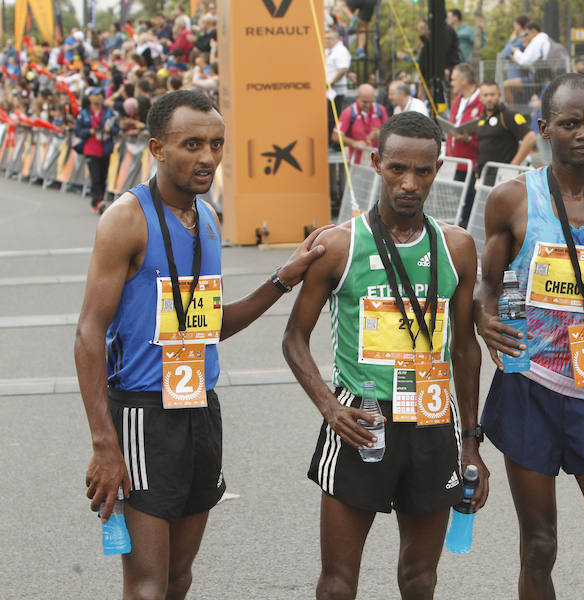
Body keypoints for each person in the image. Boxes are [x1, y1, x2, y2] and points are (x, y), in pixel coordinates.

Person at [74, 89, 329, 600]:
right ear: (157, 148)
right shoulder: (126, 219)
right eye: (192, 144)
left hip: (199, 410)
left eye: (216, 144)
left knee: (178, 578)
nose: (208, 157)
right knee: (147, 585)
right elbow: (87, 335)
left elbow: (208, 326)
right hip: (144, 414)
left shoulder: (206, 218)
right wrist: (105, 443)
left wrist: (282, 278)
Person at [282, 111, 489, 599]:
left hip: (434, 422)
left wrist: (471, 442)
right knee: (338, 584)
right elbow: (294, 339)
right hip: (362, 421)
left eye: (422, 171)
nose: (409, 183)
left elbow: (464, 348)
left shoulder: (457, 246)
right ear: (375, 163)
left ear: (438, 169)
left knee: (420, 578)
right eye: (397, 168)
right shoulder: (338, 245)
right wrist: (330, 408)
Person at [475, 73, 584, 599]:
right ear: (546, 128)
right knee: (540, 545)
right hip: (529, 385)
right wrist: (486, 319)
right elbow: (489, 284)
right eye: (571, 123)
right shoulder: (511, 199)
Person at [474, 80, 536, 184]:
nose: (489, 98)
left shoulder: (508, 115)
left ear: (499, 96)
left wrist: (513, 166)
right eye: (485, 95)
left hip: (503, 178)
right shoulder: (481, 118)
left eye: (492, 94)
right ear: (480, 98)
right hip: (484, 176)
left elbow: (530, 137)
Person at [446, 63, 484, 226]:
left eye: (453, 80)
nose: (451, 83)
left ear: (464, 80)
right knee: (458, 207)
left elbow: (485, 131)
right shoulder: (459, 99)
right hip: (458, 163)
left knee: (469, 207)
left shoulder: (482, 99)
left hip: (473, 163)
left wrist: (469, 139)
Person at [74, 86, 120, 212]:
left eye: (100, 94)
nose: (98, 97)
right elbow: (78, 131)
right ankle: (98, 201)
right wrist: (89, 131)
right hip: (90, 148)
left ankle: (100, 200)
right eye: (95, 94)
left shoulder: (109, 113)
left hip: (105, 148)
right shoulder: (83, 114)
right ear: (89, 97)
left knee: (103, 175)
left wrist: (109, 130)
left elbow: (117, 129)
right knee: (95, 177)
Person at [332, 83, 388, 165]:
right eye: (364, 102)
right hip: (357, 162)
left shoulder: (380, 110)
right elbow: (335, 136)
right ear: (357, 98)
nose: (367, 105)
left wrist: (381, 134)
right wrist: (354, 143)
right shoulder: (349, 112)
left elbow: (389, 133)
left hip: (378, 162)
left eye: (370, 102)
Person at [503, 22, 552, 105]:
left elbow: (525, 61)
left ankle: (509, 110)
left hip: (536, 77)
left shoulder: (537, 41)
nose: (526, 36)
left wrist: (516, 51)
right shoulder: (542, 40)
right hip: (537, 76)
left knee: (506, 85)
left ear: (533, 31)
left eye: (527, 33)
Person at [325, 30, 352, 150]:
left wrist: (331, 82)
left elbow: (343, 69)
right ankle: (328, 142)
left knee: (334, 118)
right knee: (328, 117)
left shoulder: (341, 51)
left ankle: (335, 144)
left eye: (329, 38)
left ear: (336, 39)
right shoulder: (327, 51)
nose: (326, 41)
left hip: (335, 91)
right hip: (327, 91)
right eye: (325, 38)